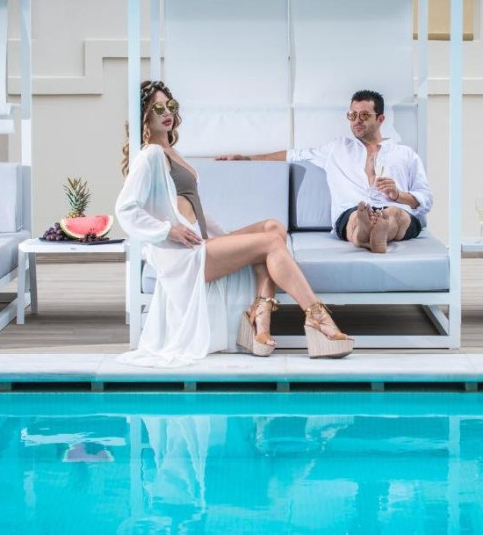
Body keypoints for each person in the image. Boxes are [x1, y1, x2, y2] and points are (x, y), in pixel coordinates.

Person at [116, 81, 352, 367]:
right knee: (270, 243)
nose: (167, 112)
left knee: (273, 227)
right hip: (184, 255)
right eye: (158, 108)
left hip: (201, 241)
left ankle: (259, 318)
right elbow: (125, 209)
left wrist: (227, 238)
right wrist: (168, 231)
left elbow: (197, 208)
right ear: (144, 116)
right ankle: (316, 317)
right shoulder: (150, 155)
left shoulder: (172, 152)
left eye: (171, 105)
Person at [217, 90, 432, 253]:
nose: (357, 121)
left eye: (365, 115)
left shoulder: (405, 154)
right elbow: (293, 155)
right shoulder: (337, 149)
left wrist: (398, 195)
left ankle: (377, 230)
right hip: (353, 210)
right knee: (357, 217)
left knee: (394, 214)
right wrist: (246, 158)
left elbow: (426, 199)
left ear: (380, 119)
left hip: (396, 207)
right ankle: (370, 231)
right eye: (353, 115)